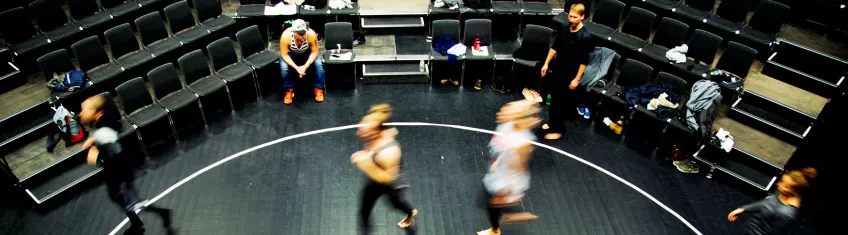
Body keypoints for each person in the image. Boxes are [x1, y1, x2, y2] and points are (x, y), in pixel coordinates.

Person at [79, 95, 172, 233]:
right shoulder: (99, 126)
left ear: (97, 113)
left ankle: (162, 212)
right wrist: (94, 140)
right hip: (114, 172)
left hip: (120, 172)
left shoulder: (103, 132)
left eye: (85, 110)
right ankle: (136, 221)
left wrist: (96, 155)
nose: (81, 113)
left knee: (133, 202)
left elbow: (116, 155)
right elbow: (116, 127)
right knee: (117, 196)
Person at [351, 104, 419, 234]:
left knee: (396, 203)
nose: (359, 132)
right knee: (364, 210)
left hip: (390, 183)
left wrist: (366, 164)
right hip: (374, 179)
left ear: (376, 130)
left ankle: (411, 213)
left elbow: (387, 178)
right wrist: (368, 155)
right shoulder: (376, 134)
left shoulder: (390, 152)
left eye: (363, 130)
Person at [477, 100, 541, 235]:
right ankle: (511, 215)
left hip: (506, 178)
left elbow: (519, 167)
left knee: (491, 205)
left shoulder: (523, 141)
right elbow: (504, 147)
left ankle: (495, 230)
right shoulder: (508, 126)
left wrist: (509, 190)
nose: (500, 113)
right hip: (499, 171)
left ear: (520, 117)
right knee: (489, 202)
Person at [539, 3, 594, 140]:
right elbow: (555, 47)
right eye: (570, 16)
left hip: (570, 73)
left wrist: (576, 79)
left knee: (560, 102)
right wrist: (546, 63)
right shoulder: (564, 28)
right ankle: (552, 123)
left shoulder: (585, 37)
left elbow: (584, 61)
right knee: (552, 98)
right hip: (557, 68)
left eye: (575, 17)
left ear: (582, 17)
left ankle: (559, 128)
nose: (571, 19)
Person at [728, 167, 817, 235]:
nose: (779, 185)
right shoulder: (782, 193)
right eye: (781, 181)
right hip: (751, 230)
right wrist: (744, 209)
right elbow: (766, 203)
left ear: (795, 191)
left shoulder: (786, 214)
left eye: (785, 185)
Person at [280, 19, 325, 105]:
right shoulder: (285, 37)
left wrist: (305, 66)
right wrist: (297, 68)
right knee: (283, 67)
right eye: (300, 34)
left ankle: (319, 88)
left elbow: (314, 52)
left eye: (304, 32)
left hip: (307, 53)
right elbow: (284, 55)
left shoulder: (311, 34)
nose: (303, 36)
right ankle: (289, 90)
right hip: (291, 54)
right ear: (294, 32)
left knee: (319, 64)